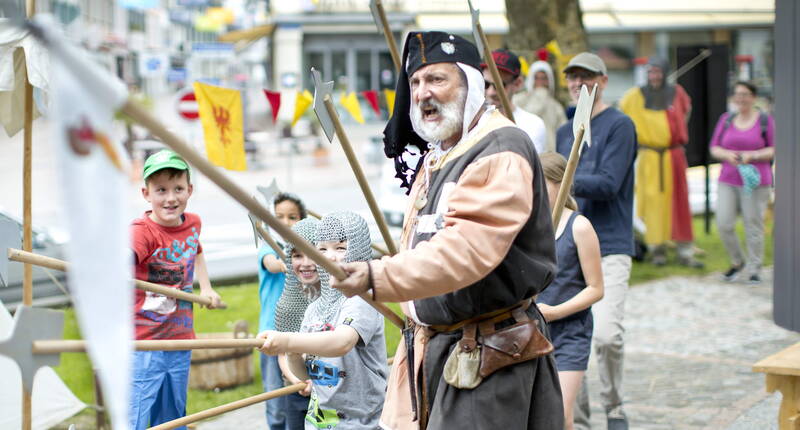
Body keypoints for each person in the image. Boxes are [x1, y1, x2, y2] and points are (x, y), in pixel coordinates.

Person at [333, 31, 563, 429]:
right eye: (416, 82)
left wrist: (378, 276)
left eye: (437, 79)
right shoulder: (442, 153)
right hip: (442, 348)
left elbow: (465, 249)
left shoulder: (500, 150)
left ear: (470, 84)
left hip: (489, 353)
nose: (422, 93)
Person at [555, 52, 637, 430]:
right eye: (572, 77)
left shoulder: (619, 125)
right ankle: (579, 419)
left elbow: (608, 183)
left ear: (602, 81)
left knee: (605, 335)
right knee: (572, 336)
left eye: (585, 77)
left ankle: (615, 405)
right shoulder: (563, 130)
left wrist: (564, 177)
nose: (577, 83)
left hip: (610, 241)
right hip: (569, 245)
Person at [258, 211, 388, 430]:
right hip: (321, 423)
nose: (330, 256)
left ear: (358, 250)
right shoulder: (314, 310)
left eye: (340, 248)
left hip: (362, 423)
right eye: (322, 249)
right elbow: (306, 374)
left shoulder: (361, 301)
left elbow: (342, 342)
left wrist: (290, 341)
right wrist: (293, 354)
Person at [129, 149, 222, 430]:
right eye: (161, 190)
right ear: (146, 193)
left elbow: (196, 251)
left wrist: (206, 288)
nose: (170, 198)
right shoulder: (141, 231)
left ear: (189, 190)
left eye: (178, 188)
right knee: (136, 416)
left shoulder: (193, 223)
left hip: (181, 338)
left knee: (173, 418)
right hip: (143, 342)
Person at [538, 152, 605, 430]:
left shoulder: (579, 226)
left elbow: (596, 289)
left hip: (570, 334)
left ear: (561, 183)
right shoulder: (530, 226)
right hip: (533, 333)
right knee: (538, 417)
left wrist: (555, 312)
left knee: (562, 416)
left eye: (543, 184)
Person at [620, 57, 702, 267]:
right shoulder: (634, 97)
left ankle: (685, 250)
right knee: (653, 202)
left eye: (657, 72)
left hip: (672, 156)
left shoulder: (677, 94)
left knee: (679, 203)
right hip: (649, 157)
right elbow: (622, 115)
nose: (654, 77)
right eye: (651, 73)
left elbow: (686, 114)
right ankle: (658, 249)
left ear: (665, 73)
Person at [709, 81, 775, 283]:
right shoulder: (726, 119)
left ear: (753, 97)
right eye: (738, 94)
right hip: (728, 179)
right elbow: (714, 147)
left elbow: (774, 148)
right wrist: (727, 155)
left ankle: (755, 268)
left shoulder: (765, 120)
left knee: (752, 224)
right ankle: (738, 262)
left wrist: (753, 155)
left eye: (745, 94)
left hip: (755, 181)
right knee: (723, 223)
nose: (741, 98)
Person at [258, 192, 309, 430]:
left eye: (292, 217)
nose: (285, 222)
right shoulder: (268, 247)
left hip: (299, 331)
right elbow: (271, 263)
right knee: (274, 394)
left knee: (298, 387)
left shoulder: (306, 252)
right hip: (271, 331)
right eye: (278, 217)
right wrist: (287, 262)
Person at [274, 217, 321, 429]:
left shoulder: (340, 299)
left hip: (332, 390)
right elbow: (283, 353)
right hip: (297, 393)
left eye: (312, 253)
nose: (305, 263)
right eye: (297, 255)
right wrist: (297, 380)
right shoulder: (288, 304)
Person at [482, 48, 548, 153]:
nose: (490, 92)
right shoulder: (472, 122)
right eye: (486, 84)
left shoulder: (533, 125)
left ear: (518, 83)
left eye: (499, 85)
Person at [515, 50, 568, 152]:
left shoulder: (556, 107)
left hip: (549, 156)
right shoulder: (519, 100)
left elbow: (564, 135)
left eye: (544, 79)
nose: (540, 82)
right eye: (537, 78)